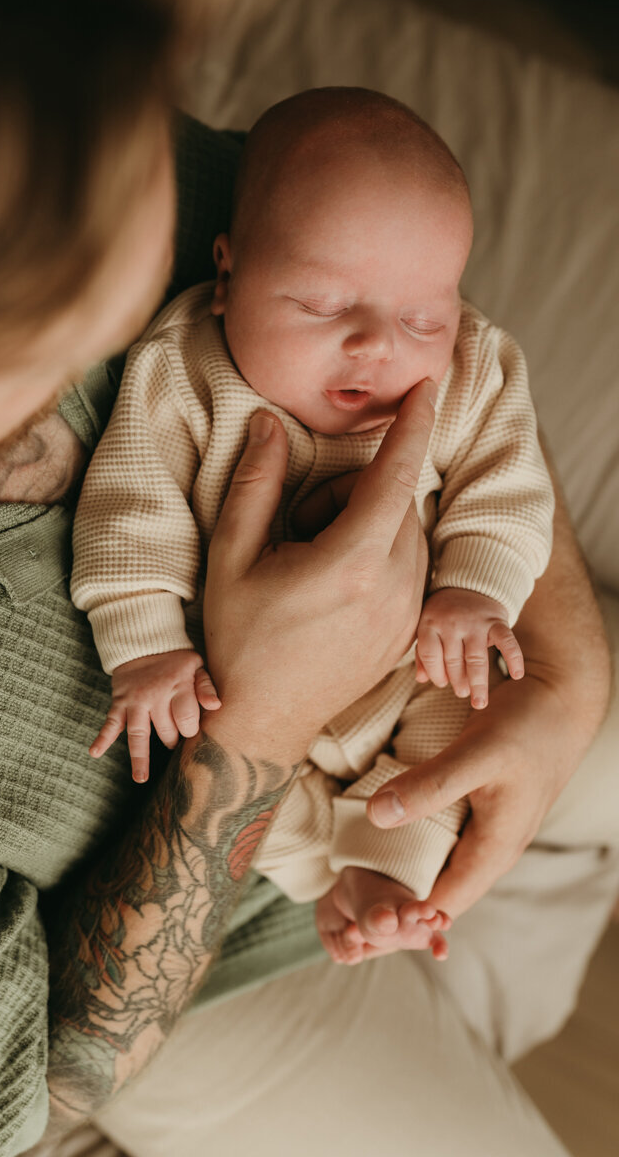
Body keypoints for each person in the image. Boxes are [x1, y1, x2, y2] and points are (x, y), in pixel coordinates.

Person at [0, 0, 615, 1157]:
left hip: (457, 663)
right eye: (72, 327)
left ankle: (526, 903)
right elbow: (22, 1094)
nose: (158, 310)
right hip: (217, 956)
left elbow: (416, 334)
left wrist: (566, 667)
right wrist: (258, 726)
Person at [71, 87, 555, 964]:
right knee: (220, 770)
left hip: (415, 664)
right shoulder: (184, 371)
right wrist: (143, 645)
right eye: (325, 306)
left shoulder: (475, 371)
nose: (377, 346)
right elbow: (129, 509)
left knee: (466, 714)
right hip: (239, 682)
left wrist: (474, 588)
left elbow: (508, 486)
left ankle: (386, 868)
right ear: (227, 275)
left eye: (421, 319)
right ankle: (316, 878)